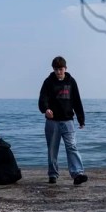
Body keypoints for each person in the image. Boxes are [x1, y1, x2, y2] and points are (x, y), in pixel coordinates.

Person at [37, 55, 88, 185]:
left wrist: (81, 119)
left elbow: (77, 101)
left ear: (65, 68)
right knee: (52, 149)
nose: (59, 72)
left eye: (61, 69)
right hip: (52, 122)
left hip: (68, 121)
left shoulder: (71, 82)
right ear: (53, 69)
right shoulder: (48, 82)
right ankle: (53, 174)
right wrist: (46, 109)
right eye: (56, 69)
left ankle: (78, 174)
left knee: (72, 147)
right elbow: (43, 99)